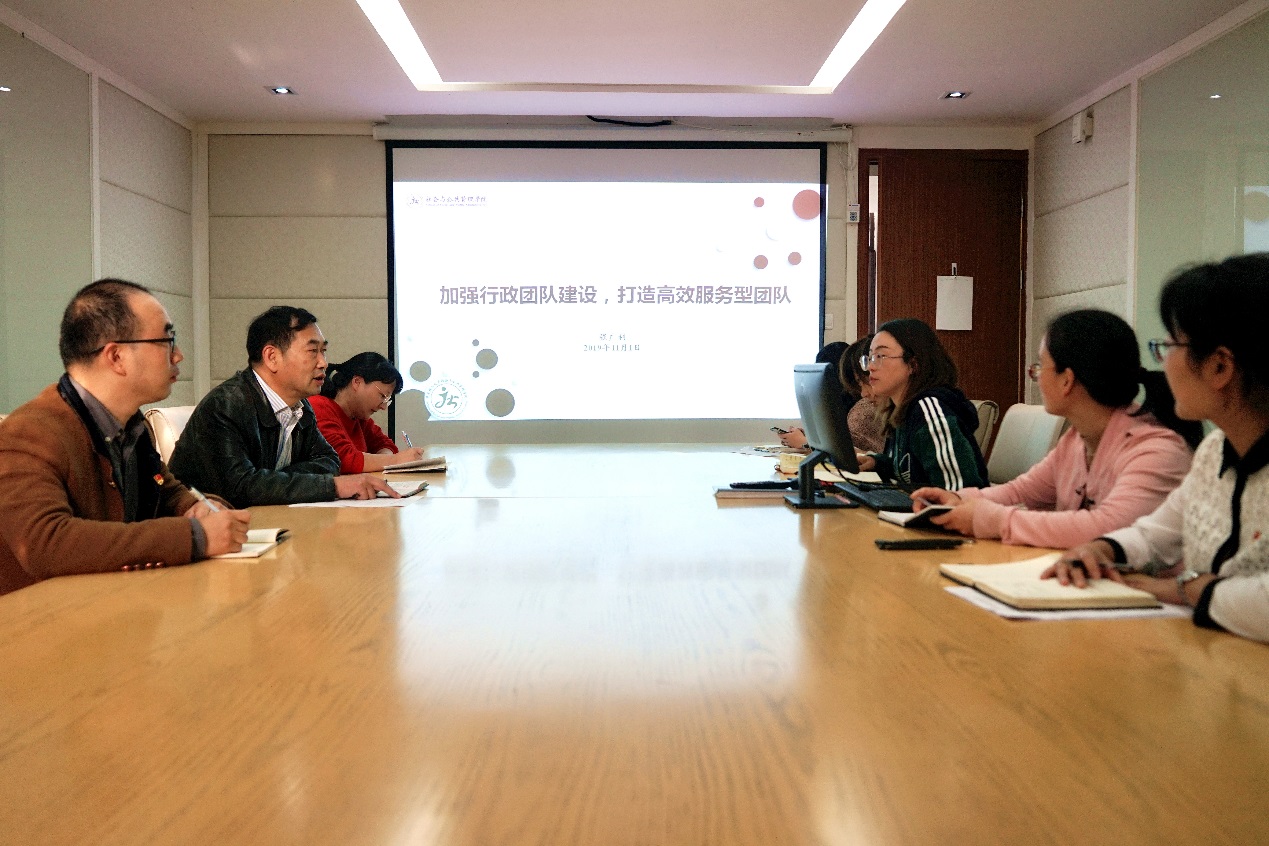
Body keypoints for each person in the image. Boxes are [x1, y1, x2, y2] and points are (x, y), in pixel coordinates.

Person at [1045, 254, 1269, 642]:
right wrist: (1102, 550)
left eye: (1169, 345)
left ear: (1220, 366)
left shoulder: (1162, 446)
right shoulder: (1215, 451)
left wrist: (1188, 589)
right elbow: (1155, 535)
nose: (1162, 364)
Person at [0, 279, 250, 595]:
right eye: (167, 340)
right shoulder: (29, 432)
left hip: (115, 601)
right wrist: (193, 536)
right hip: (45, 615)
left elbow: (164, 489)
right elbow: (45, 542)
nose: (178, 355)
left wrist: (195, 507)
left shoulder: (131, 423)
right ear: (116, 357)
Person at [910, 310, 1199, 547]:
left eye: (1039, 367)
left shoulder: (1157, 450)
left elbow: (1107, 528)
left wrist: (992, 519)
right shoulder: (1075, 440)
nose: (1036, 377)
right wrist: (959, 500)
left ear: (1066, 380)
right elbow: (1020, 491)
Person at [169, 306, 397, 506]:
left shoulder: (300, 407)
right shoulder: (226, 405)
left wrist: (272, 479)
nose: (323, 363)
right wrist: (331, 486)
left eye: (323, 351)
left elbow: (330, 461)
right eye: (313, 351)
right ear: (272, 357)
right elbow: (238, 487)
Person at [855, 318, 988, 489]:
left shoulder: (928, 409)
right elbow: (910, 470)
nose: (870, 367)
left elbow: (959, 491)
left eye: (881, 356)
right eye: (870, 357)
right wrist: (877, 463)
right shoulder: (899, 408)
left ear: (913, 365)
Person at [310, 352, 425, 473]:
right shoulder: (318, 407)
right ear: (357, 382)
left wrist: (386, 460)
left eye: (387, 400)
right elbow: (340, 459)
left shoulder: (358, 417)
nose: (383, 406)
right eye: (383, 396)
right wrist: (395, 460)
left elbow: (386, 444)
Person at [779, 341, 848, 449]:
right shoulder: (838, 403)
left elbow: (845, 451)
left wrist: (805, 443)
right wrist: (808, 438)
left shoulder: (858, 409)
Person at [838, 335, 886, 453]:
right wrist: (874, 461)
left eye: (865, 380)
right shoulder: (893, 416)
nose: (863, 394)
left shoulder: (861, 415)